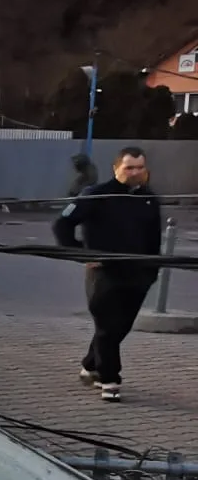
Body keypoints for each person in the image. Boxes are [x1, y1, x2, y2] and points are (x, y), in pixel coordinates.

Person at [52, 146, 162, 402]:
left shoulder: (149, 199)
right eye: (129, 168)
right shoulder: (96, 194)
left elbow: (154, 238)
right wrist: (81, 253)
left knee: (119, 328)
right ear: (116, 168)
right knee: (107, 326)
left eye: (140, 167)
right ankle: (110, 379)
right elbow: (62, 224)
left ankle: (90, 365)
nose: (135, 172)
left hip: (139, 275)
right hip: (104, 274)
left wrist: (153, 269)